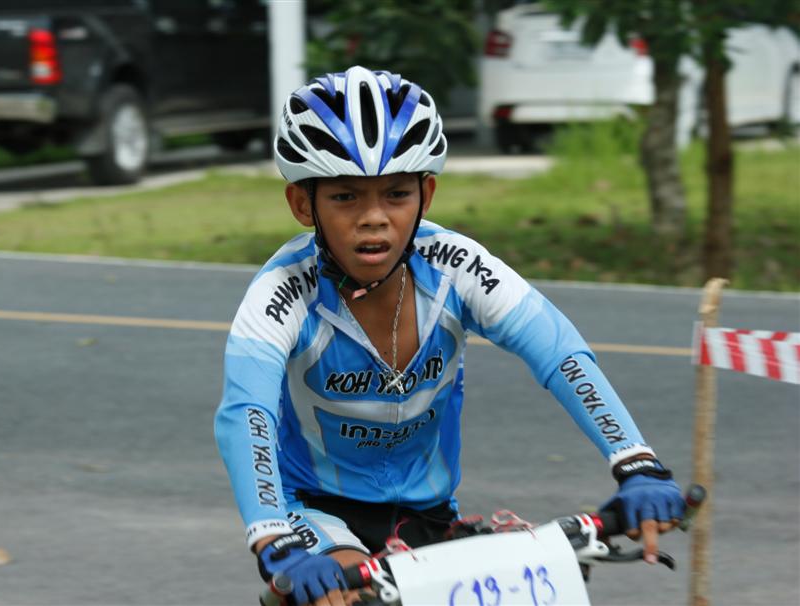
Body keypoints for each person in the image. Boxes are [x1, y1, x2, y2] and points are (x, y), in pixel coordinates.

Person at [214, 65, 685, 606]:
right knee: (345, 594)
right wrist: (273, 539)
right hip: (314, 512)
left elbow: (560, 355)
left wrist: (636, 462)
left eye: (396, 194)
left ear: (427, 194)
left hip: (429, 514)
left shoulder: (455, 267)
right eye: (345, 197)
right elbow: (246, 412)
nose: (374, 218)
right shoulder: (281, 293)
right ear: (303, 205)